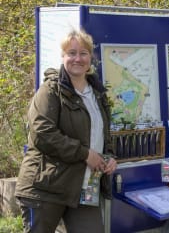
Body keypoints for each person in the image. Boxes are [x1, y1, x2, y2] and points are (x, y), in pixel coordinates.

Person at [15, 29, 117, 233]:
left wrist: (110, 156)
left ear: (91, 57)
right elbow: (42, 133)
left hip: (84, 187)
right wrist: (84, 154)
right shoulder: (50, 90)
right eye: (71, 53)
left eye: (83, 53)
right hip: (46, 186)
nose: (77, 58)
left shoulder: (97, 93)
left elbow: (102, 133)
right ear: (63, 57)